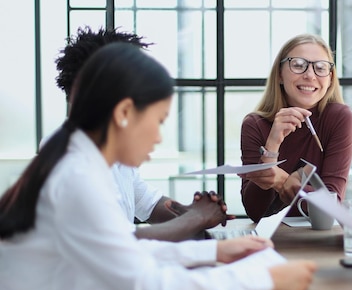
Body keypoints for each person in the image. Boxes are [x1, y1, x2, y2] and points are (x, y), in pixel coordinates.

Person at [0, 43, 317, 290]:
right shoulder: (77, 181)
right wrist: (265, 279)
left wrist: (216, 250)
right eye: (158, 120)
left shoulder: (76, 163)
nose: (159, 137)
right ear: (124, 112)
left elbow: (124, 250)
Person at [54, 26, 228, 242]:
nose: (158, 137)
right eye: (156, 119)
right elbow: (121, 244)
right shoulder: (69, 163)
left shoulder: (105, 152)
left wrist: (192, 212)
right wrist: (195, 220)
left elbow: (146, 201)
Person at [239, 33, 352, 222]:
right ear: (279, 73)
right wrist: (272, 146)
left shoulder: (338, 117)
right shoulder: (254, 125)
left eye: (320, 68)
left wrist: (283, 183)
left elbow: (331, 207)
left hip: (319, 238)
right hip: (271, 240)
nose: (310, 75)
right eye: (298, 65)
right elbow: (255, 211)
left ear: (330, 78)